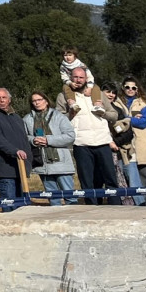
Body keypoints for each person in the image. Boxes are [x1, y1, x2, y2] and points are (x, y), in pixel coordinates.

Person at [56, 66, 120, 205]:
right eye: (75, 77)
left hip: (102, 141)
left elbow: (114, 115)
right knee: (87, 181)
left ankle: (116, 207)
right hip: (81, 143)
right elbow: (58, 119)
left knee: (110, 178)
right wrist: (70, 114)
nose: (78, 80)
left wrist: (103, 113)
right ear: (70, 78)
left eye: (81, 77)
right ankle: (92, 208)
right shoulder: (63, 96)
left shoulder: (98, 94)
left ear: (86, 79)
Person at [23, 92, 77, 205]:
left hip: (61, 163)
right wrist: (33, 140)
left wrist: (48, 140)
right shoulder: (27, 119)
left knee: (70, 197)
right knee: (53, 198)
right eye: (34, 101)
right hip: (42, 164)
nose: (37, 103)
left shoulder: (59, 116)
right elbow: (24, 137)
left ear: (46, 101)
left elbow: (70, 136)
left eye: (39, 99)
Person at [0, 88, 32, 208]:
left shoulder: (16, 118)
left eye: (4, 97)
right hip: (5, 169)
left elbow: (24, 140)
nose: (1, 100)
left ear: (9, 100)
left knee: (22, 207)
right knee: (10, 206)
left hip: (20, 167)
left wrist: (29, 160)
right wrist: (15, 151)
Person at [101, 83, 141, 204]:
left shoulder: (119, 111)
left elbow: (129, 133)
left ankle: (141, 205)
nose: (111, 95)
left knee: (134, 182)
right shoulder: (96, 110)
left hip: (124, 152)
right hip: (106, 152)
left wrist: (115, 142)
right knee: (115, 182)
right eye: (108, 92)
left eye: (113, 92)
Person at [122, 77, 146, 189]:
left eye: (133, 88)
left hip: (143, 144)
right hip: (126, 146)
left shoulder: (143, 104)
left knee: (145, 178)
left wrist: (127, 119)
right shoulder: (118, 103)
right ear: (123, 88)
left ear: (137, 89)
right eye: (127, 87)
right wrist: (132, 118)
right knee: (130, 179)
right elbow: (117, 120)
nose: (130, 90)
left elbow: (143, 122)